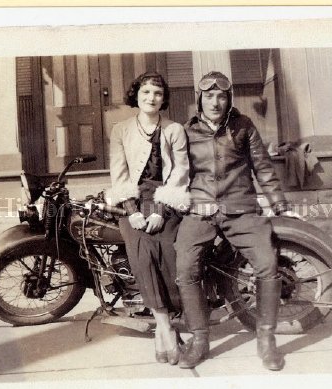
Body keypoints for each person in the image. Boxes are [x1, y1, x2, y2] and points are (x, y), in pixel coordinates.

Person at [175, 71, 301, 371]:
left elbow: (263, 168)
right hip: (200, 210)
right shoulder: (186, 130)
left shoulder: (244, 126)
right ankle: (200, 340)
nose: (215, 102)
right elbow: (176, 173)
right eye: (209, 96)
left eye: (221, 96)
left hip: (241, 208)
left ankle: (266, 341)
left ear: (228, 99)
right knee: (185, 268)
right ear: (200, 99)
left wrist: (280, 206)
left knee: (268, 266)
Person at [107, 72, 191, 365]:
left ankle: (162, 330)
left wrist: (160, 210)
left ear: (163, 98)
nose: (151, 98)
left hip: (166, 201)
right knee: (143, 257)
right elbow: (118, 176)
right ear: (137, 96)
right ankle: (166, 329)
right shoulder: (121, 130)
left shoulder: (175, 130)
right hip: (132, 203)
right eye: (145, 92)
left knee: (167, 255)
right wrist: (132, 213)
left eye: (157, 93)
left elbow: (180, 173)